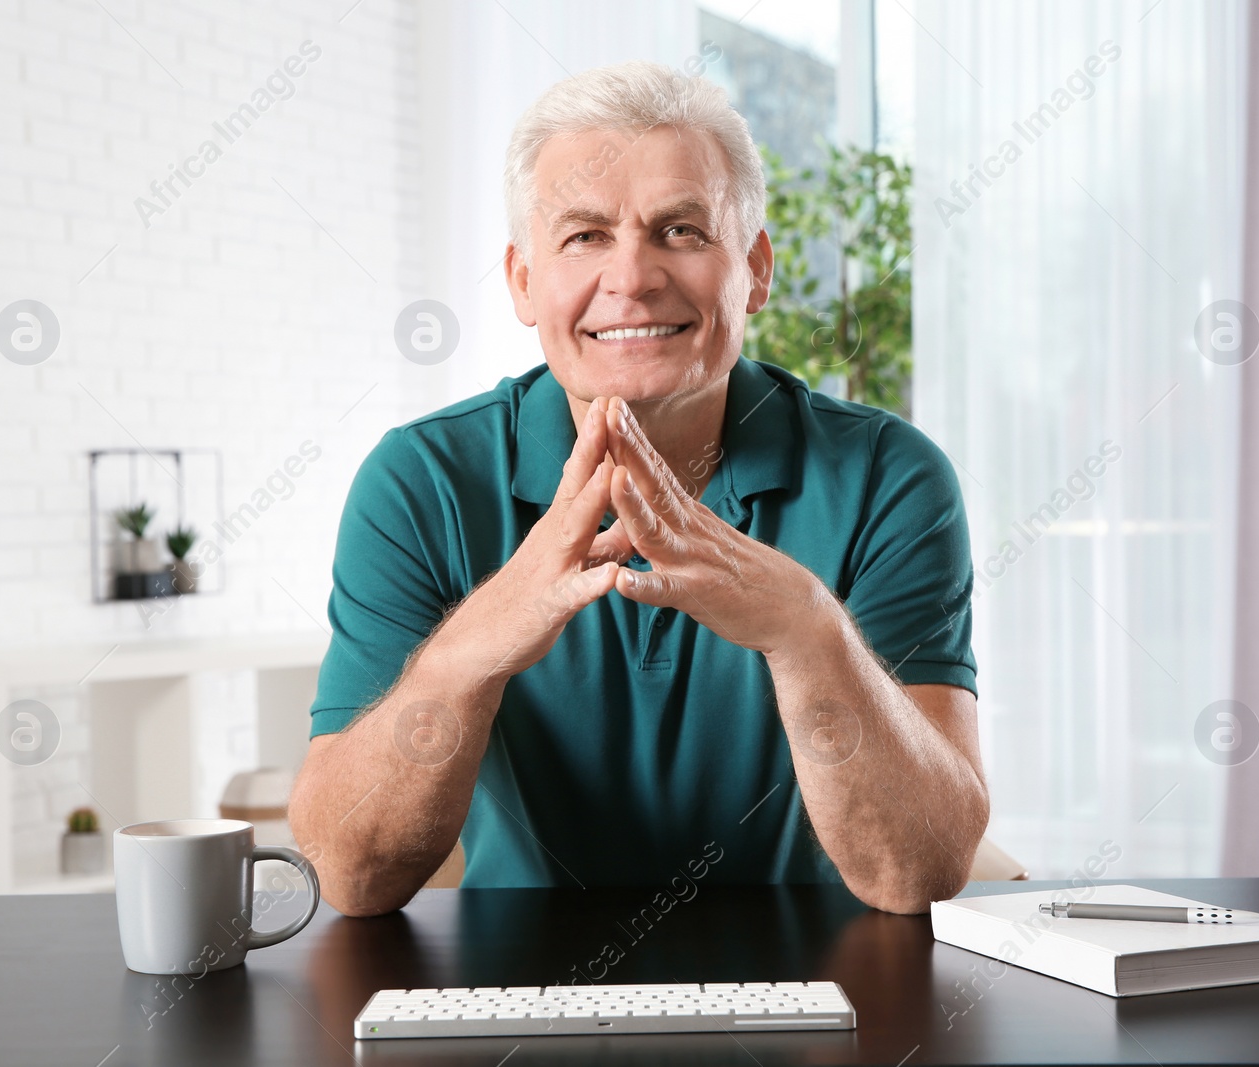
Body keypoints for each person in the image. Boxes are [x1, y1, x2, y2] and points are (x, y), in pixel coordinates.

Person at [288, 60, 987, 917]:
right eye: (584, 235)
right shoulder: (419, 480)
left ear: (756, 270)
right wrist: (476, 644)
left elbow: (916, 871)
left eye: (682, 231)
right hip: (514, 1001)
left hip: (827, 1004)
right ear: (521, 281)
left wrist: (804, 627)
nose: (632, 278)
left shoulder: (889, 477)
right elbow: (352, 876)